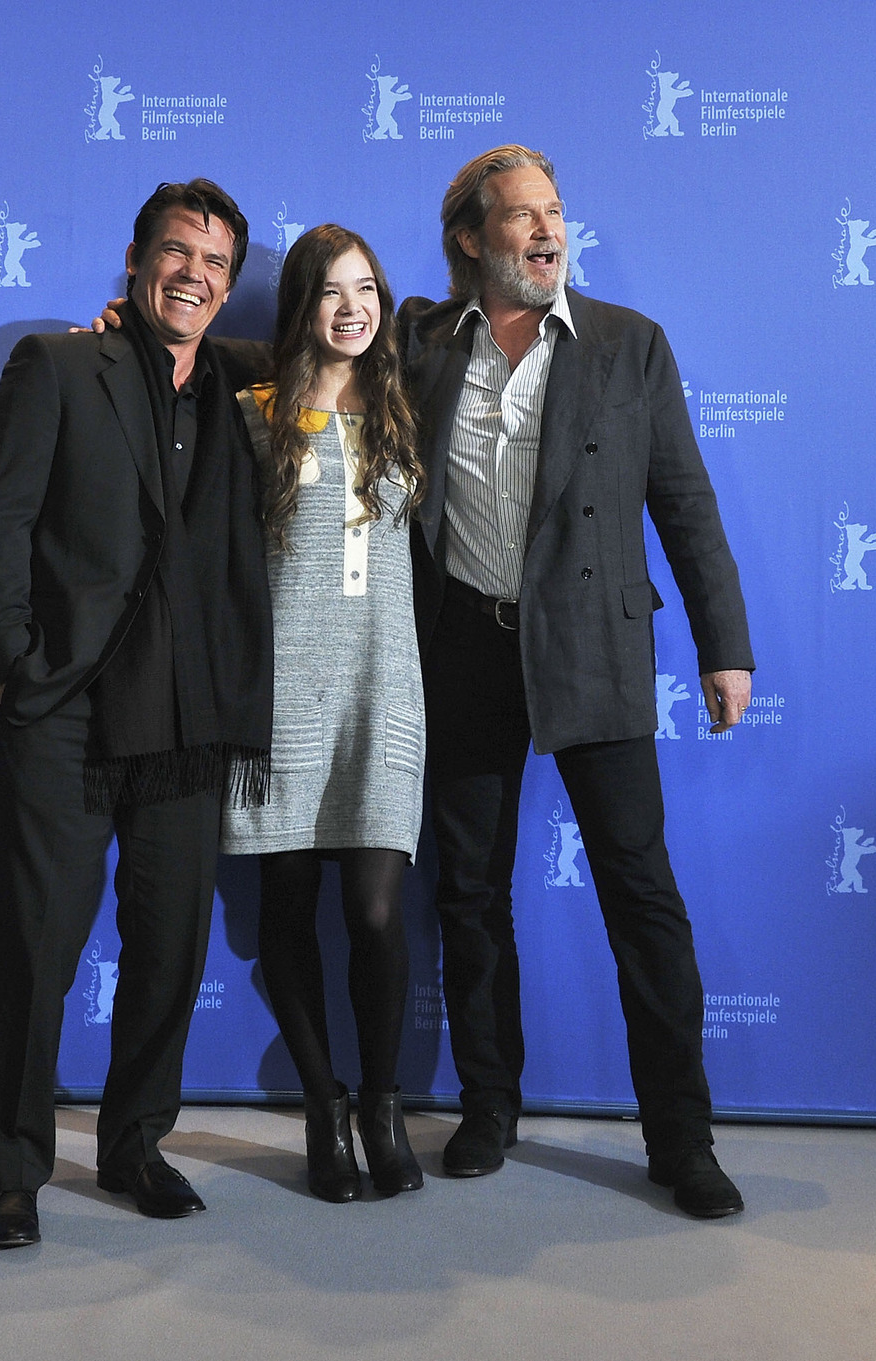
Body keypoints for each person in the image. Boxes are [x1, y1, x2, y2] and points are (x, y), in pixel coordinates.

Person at [397, 145, 756, 1218]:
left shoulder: (626, 344)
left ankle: (680, 1138)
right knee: (466, 891)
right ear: (470, 238)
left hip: (592, 642)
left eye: (554, 211)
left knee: (639, 893)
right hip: (459, 645)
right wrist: (130, 336)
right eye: (519, 217)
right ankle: (488, 1105)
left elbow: (683, 502)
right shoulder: (418, 343)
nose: (547, 232)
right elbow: (297, 358)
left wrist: (720, 644)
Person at [0, 180, 273, 1249]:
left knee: (170, 947)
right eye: (178, 252)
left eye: (216, 264)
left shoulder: (242, 385)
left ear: (231, 287)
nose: (195, 274)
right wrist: (12, 670)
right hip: (66, 705)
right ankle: (9, 1172)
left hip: (184, 712)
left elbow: (362, 337)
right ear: (136, 259)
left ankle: (135, 1142)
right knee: (38, 947)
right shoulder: (56, 363)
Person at [220, 225, 427, 1203]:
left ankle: (380, 1101)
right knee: (287, 912)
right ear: (300, 303)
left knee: (376, 910)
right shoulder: (251, 417)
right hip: (283, 696)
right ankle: (319, 1102)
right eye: (331, 292)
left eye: (366, 289)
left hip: (383, 691)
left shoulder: (401, 412)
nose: (352, 307)